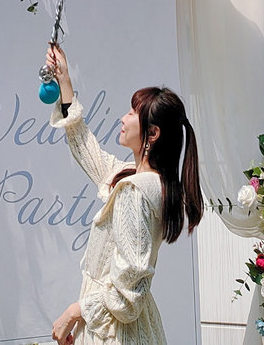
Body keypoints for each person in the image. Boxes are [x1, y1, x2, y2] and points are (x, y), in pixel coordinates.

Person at [46, 43, 203, 345]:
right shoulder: (141, 179)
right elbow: (85, 147)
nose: (122, 118)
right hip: (117, 325)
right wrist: (64, 80)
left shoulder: (136, 191)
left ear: (152, 133)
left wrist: (74, 311)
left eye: (132, 112)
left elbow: (127, 297)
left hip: (116, 333)